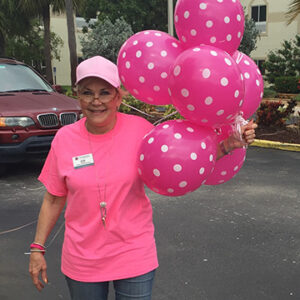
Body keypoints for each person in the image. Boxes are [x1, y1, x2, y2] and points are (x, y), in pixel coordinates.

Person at [29, 55, 257, 300]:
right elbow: (53, 199)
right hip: (83, 259)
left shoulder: (141, 130)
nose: (96, 101)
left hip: (133, 254)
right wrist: (37, 249)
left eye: (104, 92)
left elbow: (187, 163)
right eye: (87, 92)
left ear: (118, 96)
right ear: (78, 96)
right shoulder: (64, 139)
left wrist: (227, 145)